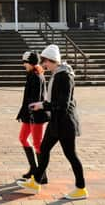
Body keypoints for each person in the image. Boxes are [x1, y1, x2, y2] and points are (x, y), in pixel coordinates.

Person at [17, 44, 88, 200]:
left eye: (46, 61)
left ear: (53, 60)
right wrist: (42, 105)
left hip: (65, 122)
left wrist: (43, 105)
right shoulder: (57, 74)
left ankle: (81, 188)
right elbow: (56, 101)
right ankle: (36, 181)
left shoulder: (65, 76)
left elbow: (63, 103)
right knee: (44, 149)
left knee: (71, 155)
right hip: (57, 121)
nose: (44, 65)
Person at [16, 51, 49, 183]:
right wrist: (22, 113)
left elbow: (35, 99)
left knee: (37, 144)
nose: (23, 65)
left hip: (36, 115)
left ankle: (42, 174)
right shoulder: (31, 75)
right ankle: (34, 168)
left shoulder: (36, 76)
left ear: (30, 62)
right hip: (29, 114)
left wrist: (29, 113)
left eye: (25, 62)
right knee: (23, 138)